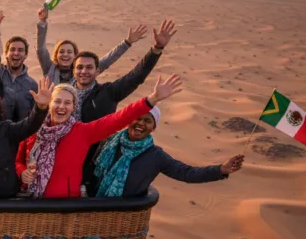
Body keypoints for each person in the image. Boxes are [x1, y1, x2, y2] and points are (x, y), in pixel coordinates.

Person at [16, 75, 184, 199]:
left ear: (74, 107)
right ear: (50, 103)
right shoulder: (33, 129)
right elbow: (17, 161)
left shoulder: (83, 132)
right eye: (57, 101)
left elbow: (118, 119)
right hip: (31, 202)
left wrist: (152, 99)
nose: (61, 106)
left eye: (67, 103)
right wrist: (22, 172)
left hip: (64, 206)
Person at [73, 20, 177, 193]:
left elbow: (135, 77)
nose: (84, 71)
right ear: (74, 71)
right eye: (80, 67)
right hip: (65, 159)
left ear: (97, 71)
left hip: (95, 163)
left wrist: (156, 49)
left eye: (89, 67)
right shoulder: (62, 95)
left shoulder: (109, 92)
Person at [93, 107, 245, 197]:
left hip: (121, 218)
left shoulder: (155, 156)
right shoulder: (110, 141)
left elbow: (187, 173)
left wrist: (221, 170)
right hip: (90, 208)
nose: (140, 123)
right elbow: (90, 169)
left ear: (153, 127)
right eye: (137, 118)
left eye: (147, 121)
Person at [36, 6, 149, 85]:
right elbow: (41, 49)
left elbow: (108, 60)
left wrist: (127, 42)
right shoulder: (49, 68)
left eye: (69, 52)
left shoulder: (83, 71)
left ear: (76, 56)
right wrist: (42, 22)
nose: (65, 54)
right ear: (56, 55)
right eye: (61, 52)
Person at [0, 12, 40, 122]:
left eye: (20, 50)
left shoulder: (32, 85)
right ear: (6, 53)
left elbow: (34, 116)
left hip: (20, 135)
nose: (16, 53)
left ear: (25, 55)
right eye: (12, 50)